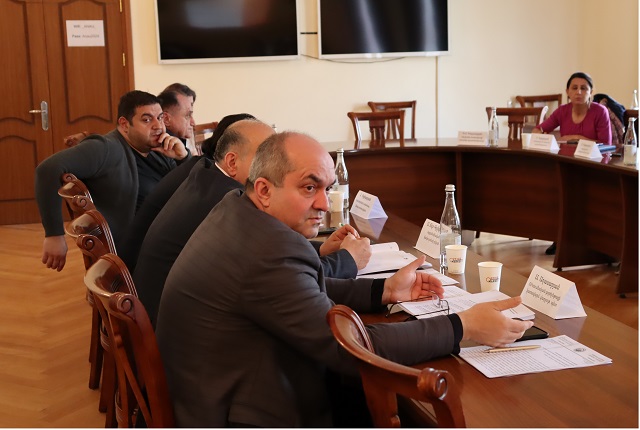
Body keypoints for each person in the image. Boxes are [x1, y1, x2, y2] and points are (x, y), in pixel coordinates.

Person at [155, 131, 533, 427]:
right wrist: (463, 326)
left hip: (213, 393)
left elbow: (301, 285)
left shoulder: (238, 211)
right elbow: (350, 350)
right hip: (241, 416)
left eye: (327, 187)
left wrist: (384, 289)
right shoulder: (267, 251)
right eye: (309, 187)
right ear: (265, 190)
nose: (324, 203)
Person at [134, 120, 371, 326]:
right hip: (172, 330)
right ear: (232, 162)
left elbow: (280, 261)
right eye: (264, 155)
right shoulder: (223, 200)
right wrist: (348, 260)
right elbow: (281, 273)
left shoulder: (208, 178)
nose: (272, 161)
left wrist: (321, 249)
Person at [35, 90, 189, 272]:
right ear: (124, 124)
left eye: (160, 118)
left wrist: (183, 158)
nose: (158, 126)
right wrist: (54, 235)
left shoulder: (158, 149)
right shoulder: (106, 148)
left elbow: (188, 190)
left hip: (169, 238)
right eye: (147, 120)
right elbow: (47, 170)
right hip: (142, 255)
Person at [118, 113, 256, 271]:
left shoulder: (201, 169)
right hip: (135, 271)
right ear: (232, 157)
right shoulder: (217, 189)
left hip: (135, 266)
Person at [533, 71, 612, 144]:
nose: (578, 92)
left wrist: (576, 138)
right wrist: (541, 136)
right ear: (567, 92)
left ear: (591, 92)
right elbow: (537, 130)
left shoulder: (600, 111)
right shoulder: (562, 111)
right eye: (574, 88)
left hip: (592, 155)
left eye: (583, 88)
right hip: (565, 154)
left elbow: (606, 145)